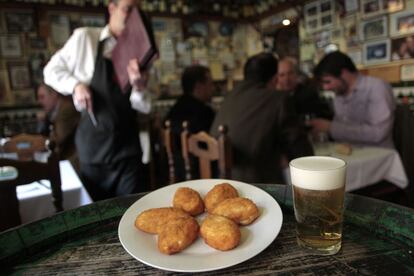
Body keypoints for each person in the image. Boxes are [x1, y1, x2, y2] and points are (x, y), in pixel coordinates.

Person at [43, 0, 154, 201]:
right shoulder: (85, 38)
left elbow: (145, 107)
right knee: (97, 216)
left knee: (131, 210)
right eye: (128, 9)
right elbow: (50, 71)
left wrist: (138, 87)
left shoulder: (140, 50)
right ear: (112, 8)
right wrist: (75, 85)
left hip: (128, 149)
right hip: (93, 149)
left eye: (137, 12)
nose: (133, 18)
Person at [210, 53, 313, 184]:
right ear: (275, 79)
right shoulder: (279, 99)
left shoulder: (231, 96)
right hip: (256, 186)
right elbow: (301, 150)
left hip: (221, 180)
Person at [309, 51, 395, 148]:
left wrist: (330, 127)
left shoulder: (376, 88)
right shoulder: (339, 93)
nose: (325, 88)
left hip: (378, 157)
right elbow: (342, 133)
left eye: (328, 81)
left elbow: (378, 133)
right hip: (349, 155)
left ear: (344, 73)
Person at [164, 65, 215, 181]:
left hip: (176, 173)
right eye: (210, 84)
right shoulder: (205, 112)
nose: (213, 88)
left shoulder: (175, 108)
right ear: (198, 87)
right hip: (200, 176)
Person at [37, 83, 80, 172]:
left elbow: (57, 141)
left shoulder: (66, 110)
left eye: (42, 97)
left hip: (74, 161)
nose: (39, 101)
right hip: (66, 158)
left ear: (54, 94)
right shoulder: (55, 110)